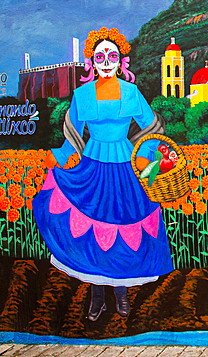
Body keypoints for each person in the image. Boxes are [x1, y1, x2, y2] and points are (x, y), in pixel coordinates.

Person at [33, 27, 173, 321]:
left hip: (124, 166)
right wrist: (59, 158)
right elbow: (72, 135)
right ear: (92, 63)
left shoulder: (131, 93)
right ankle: (97, 297)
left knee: (122, 226)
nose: (106, 60)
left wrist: (146, 157)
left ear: (121, 60)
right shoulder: (82, 95)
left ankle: (121, 295)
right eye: (100, 56)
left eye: (112, 55)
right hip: (92, 166)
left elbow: (152, 126)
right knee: (94, 231)